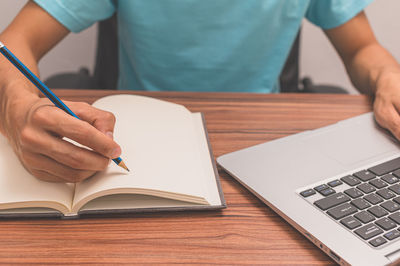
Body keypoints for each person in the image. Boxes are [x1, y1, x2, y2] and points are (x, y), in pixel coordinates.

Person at [0, 0, 399, 183]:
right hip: (134, 141)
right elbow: (16, 43)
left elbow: (363, 49)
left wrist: (388, 78)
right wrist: (17, 105)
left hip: (263, 148)